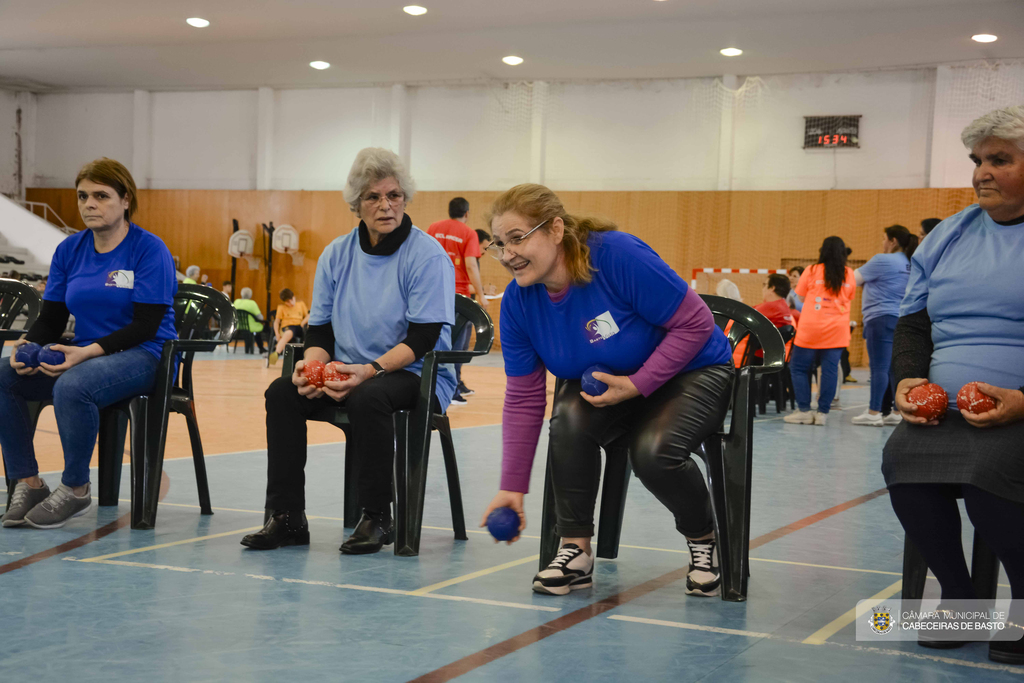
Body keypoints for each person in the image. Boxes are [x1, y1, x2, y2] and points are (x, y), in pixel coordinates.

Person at [479, 183, 734, 597]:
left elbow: (696, 323)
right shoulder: (519, 303)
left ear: (556, 229)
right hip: (616, 387)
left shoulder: (615, 256)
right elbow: (525, 397)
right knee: (569, 419)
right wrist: (511, 488)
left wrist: (638, 384)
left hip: (692, 371)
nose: (507, 255)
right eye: (499, 244)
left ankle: (704, 539)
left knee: (653, 453)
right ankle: (575, 550)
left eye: (518, 238)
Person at [241, 147, 456, 555]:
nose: (385, 205)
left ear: (405, 198)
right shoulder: (336, 254)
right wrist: (311, 368)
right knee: (282, 392)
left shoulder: (427, 255)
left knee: (369, 397)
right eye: (373, 197)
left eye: (393, 195)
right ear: (356, 205)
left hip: (414, 375)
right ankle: (286, 516)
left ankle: (377, 516)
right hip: (347, 370)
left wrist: (369, 370)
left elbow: (424, 337)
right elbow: (319, 329)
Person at [883, 106, 1024, 665]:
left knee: (988, 473)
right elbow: (914, 322)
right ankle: (962, 597)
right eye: (977, 161)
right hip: (948, 412)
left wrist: (1021, 402)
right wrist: (909, 379)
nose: (981, 172)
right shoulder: (948, 234)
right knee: (904, 463)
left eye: (1000, 160)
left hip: (1019, 413)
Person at [0, 158, 177, 529]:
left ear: (126, 199)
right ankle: (27, 482)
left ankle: (76, 487)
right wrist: (27, 344)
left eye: (101, 195)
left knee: (74, 384)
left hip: (146, 355)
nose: (89, 204)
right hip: (87, 354)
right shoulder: (69, 250)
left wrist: (85, 353)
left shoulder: (148, 249)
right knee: (4, 374)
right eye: (83, 196)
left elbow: (146, 325)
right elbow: (51, 319)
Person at [783, 236, 856, 426]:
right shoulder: (849, 273)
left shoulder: (812, 270)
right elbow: (850, 296)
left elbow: (799, 295)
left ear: (822, 251)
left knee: (798, 367)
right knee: (829, 371)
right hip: (837, 329)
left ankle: (804, 411)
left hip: (811, 328)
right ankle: (822, 413)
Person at [851, 224, 917, 426]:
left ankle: (873, 413)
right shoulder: (911, 262)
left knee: (878, 367)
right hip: (903, 318)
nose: (882, 243)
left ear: (893, 241)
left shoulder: (882, 260)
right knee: (894, 368)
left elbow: (853, 279)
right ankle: (896, 412)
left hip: (880, 317)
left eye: (883, 238)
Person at [427, 197, 488, 404]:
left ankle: (441, 385)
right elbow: (471, 264)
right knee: (457, 346)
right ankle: (450, 391)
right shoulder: (468, 233)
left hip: (433, 294)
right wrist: (480, 294)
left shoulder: (434, 228)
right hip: (458, 298)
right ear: (467, 213)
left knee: (434, 342)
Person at [730, 273, 795, 367]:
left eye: (764, 284)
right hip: (771, 356)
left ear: (772, 288)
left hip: (755, 356)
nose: (763, 289)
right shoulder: (783, 306)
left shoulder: (773, 306)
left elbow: (742, 316)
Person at [268, 287, 309, 364]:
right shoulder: (281, 308)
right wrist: (277, 334)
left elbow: (308, 315)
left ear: (294, 297)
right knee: (288, 333)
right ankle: (277, 352)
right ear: (284, 302)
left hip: (300, 326)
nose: (290, 303)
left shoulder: (301, 304)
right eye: (287, 302)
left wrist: (303, 322)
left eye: (291, 300)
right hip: (287, 327)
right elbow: (276, 322)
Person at [233, 286, 266, 354]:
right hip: (252, 327)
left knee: (254, 331)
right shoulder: (252, 303)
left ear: (241, 294)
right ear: (250, 294)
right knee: (260, 329)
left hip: (239, 326)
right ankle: (261, 348)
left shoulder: (236, 302)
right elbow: (260, 317)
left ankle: (253, 348)